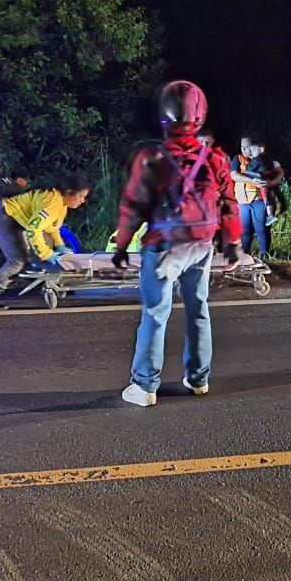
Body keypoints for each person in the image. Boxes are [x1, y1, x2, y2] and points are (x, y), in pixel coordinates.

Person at [114, 80, 245, 407]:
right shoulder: (214, 157)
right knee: (198, 309)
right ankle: (198, 379)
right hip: (201, 246)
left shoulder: (152, 157)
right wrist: (233, 242)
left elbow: (133, 206)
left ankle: (144, 386)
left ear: (163, 114)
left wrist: (122, 245)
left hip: (163, 246)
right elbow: (229, 202)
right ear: (200, 115)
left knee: (155, 314)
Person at [0, 175, 91, 311]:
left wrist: (60, 246)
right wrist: (46, 254)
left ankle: (46, 281)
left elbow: (52, 227)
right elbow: (34, 229)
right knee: (18, 261)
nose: (83, 201)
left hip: (18, 218)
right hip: (5, 216)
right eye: (81, 196)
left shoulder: (61, 203)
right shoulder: (52, 203)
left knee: (43, 248)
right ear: (69, 193)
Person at [230, 136, 283, 257]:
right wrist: (251, 180)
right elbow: (234, 175)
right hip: (242, 201)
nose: (244, 149)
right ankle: (244, 256)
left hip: (258, 200)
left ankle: (264, 255)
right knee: (245, 231)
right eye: (242, 147)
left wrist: (270, 181)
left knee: (261, 229)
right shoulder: (238, 159)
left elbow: (277, 173)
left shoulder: (262, 160)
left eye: (247, 147)